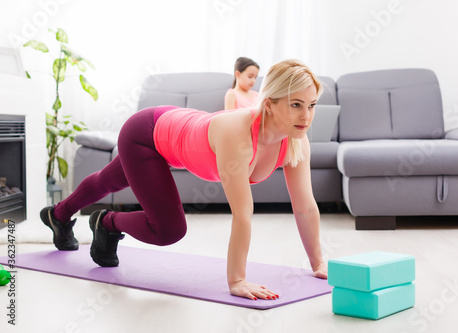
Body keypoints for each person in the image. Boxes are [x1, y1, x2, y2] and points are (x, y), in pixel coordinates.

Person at [40, 59, 328, 301]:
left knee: (109, 179)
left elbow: (304, 207)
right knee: (168, 229)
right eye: (296, 105)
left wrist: (318, 264)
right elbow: (243, 214)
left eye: (312, 105)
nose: (306, 116)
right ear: (270, 104)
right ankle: (105, 222)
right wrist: (237, 281)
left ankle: (58, 214)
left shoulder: (296, 143)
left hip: (175, 133)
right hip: (146, 133)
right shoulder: (238, 134)